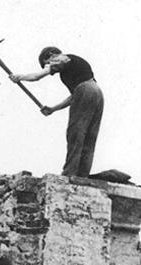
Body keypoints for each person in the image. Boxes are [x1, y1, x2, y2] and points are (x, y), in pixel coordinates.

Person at [9, 47, 104, 178]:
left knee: (75, 133)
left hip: (86, 91)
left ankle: (69, 173)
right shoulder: (73, 65)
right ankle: (82, 175)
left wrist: (19, 77)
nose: (49, 67)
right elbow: (75, 96)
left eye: (46, 62)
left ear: (51, 55)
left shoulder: (60, 58)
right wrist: (53, 108)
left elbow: (37, 76)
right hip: (97, 93)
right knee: (89, 137)